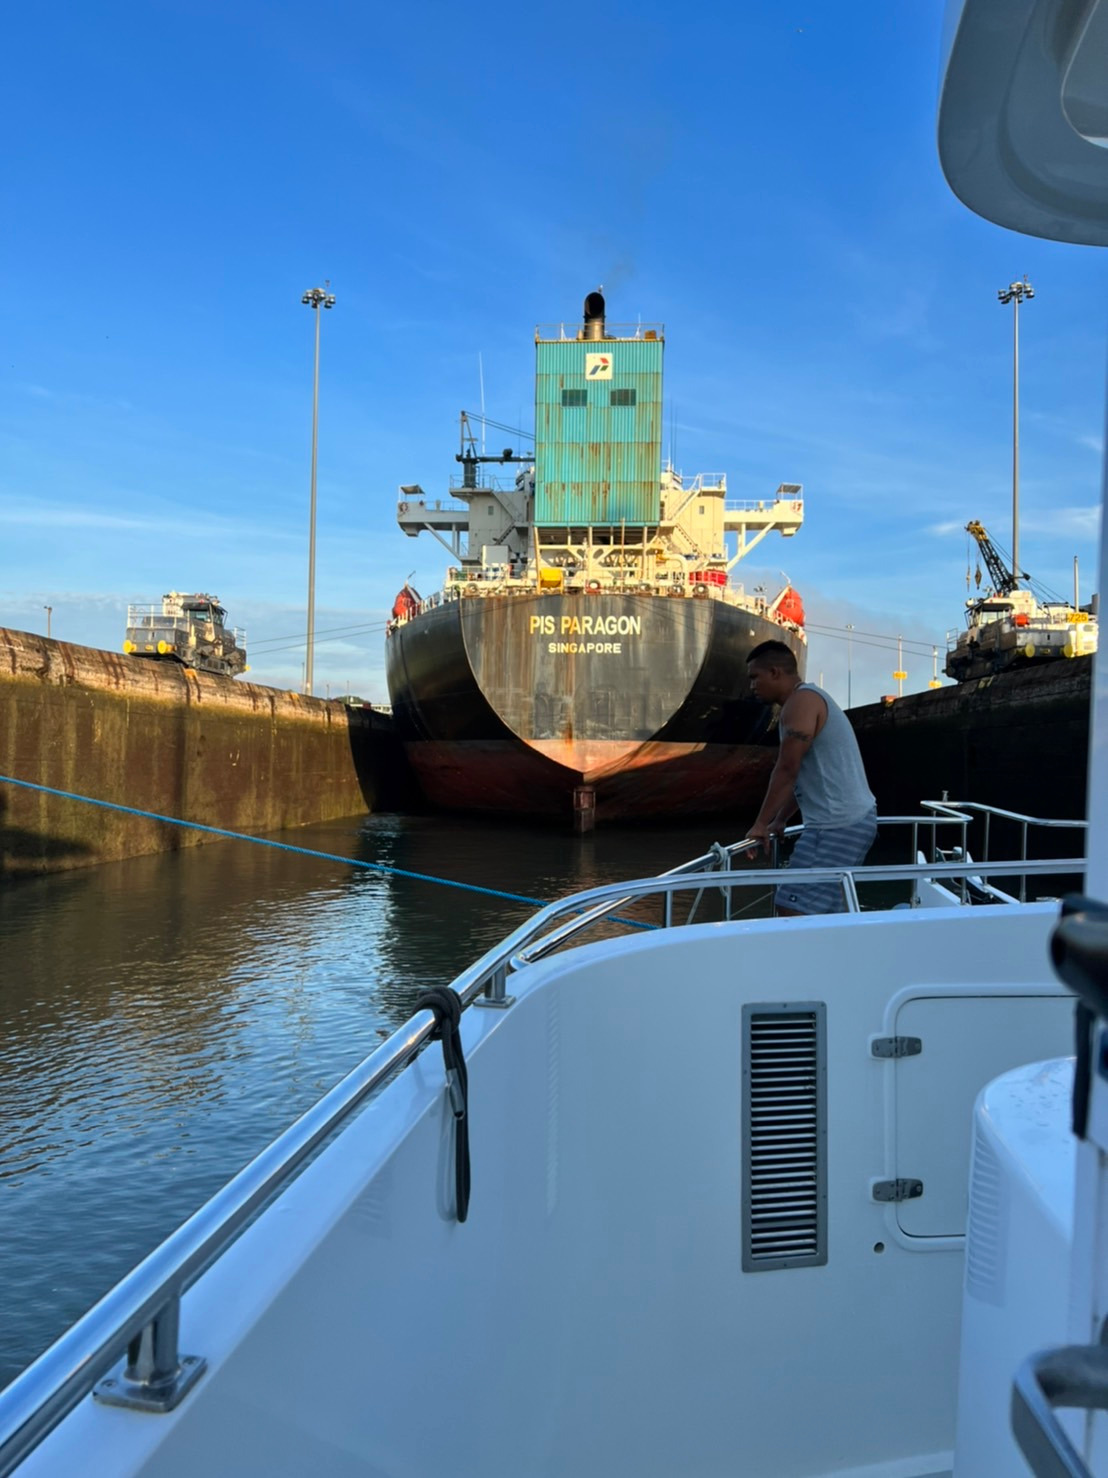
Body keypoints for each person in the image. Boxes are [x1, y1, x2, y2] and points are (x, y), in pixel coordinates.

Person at [745, 640, 877, 916]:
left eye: (755, 677)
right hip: (850, 820)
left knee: (792, 906)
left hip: (836, 824)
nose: (752, 686)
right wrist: (780, 819)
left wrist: (760, 824)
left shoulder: (800, 703)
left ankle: (809, 960)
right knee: (826, 907)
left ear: (775, 672)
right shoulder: (807, 699)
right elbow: (805, 774)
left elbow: (787, 769)